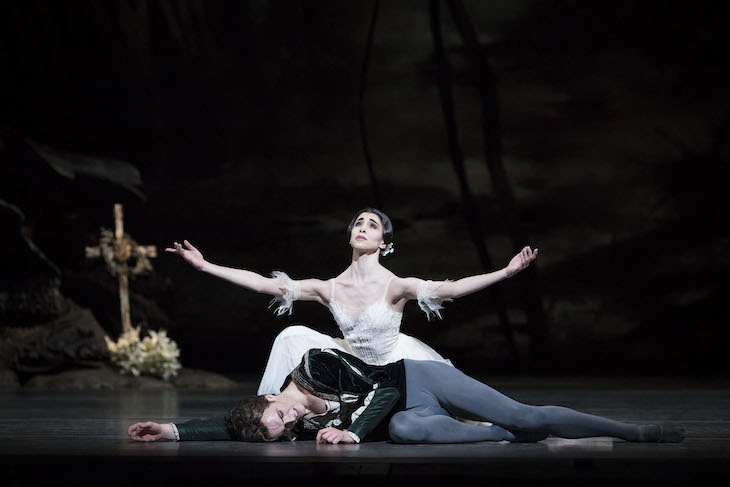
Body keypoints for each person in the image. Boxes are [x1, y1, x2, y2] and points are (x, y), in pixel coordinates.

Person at [166, 207, 539, 395]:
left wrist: (506, 273)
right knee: (290, 336)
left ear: (383, 243)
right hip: (353, 364)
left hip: (396, 363)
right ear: (350, 236)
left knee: (459, 405)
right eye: (358, 223)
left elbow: (451, 290)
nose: (362, 227)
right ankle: (273, 410)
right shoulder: (328, 288)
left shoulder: (395, 286)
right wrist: (205, 266)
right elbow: (265, 285)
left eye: (372, 225)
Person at [128, 348, 685, 444]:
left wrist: (350, 432)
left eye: (283, 413)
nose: (292, 420)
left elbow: (386, 386)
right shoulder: (280, 424)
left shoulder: (316, 366)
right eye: (285, 428)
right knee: (403, 430)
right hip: (404, 415)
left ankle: (632, 432)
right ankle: (512, 439)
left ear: (272, 394)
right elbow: (231, 428)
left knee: (525, 413)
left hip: (415, 380)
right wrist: (172, 429)